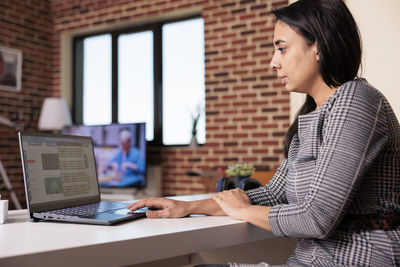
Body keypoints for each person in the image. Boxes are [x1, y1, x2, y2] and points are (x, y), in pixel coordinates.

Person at [128, 0, 400, 266]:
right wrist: (188, 207)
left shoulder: (357, 100)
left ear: (318, 46)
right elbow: (273, 194)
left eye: (281, 49)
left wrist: (244, 210)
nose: (273, 62)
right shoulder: (311, 115)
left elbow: (316, 218)